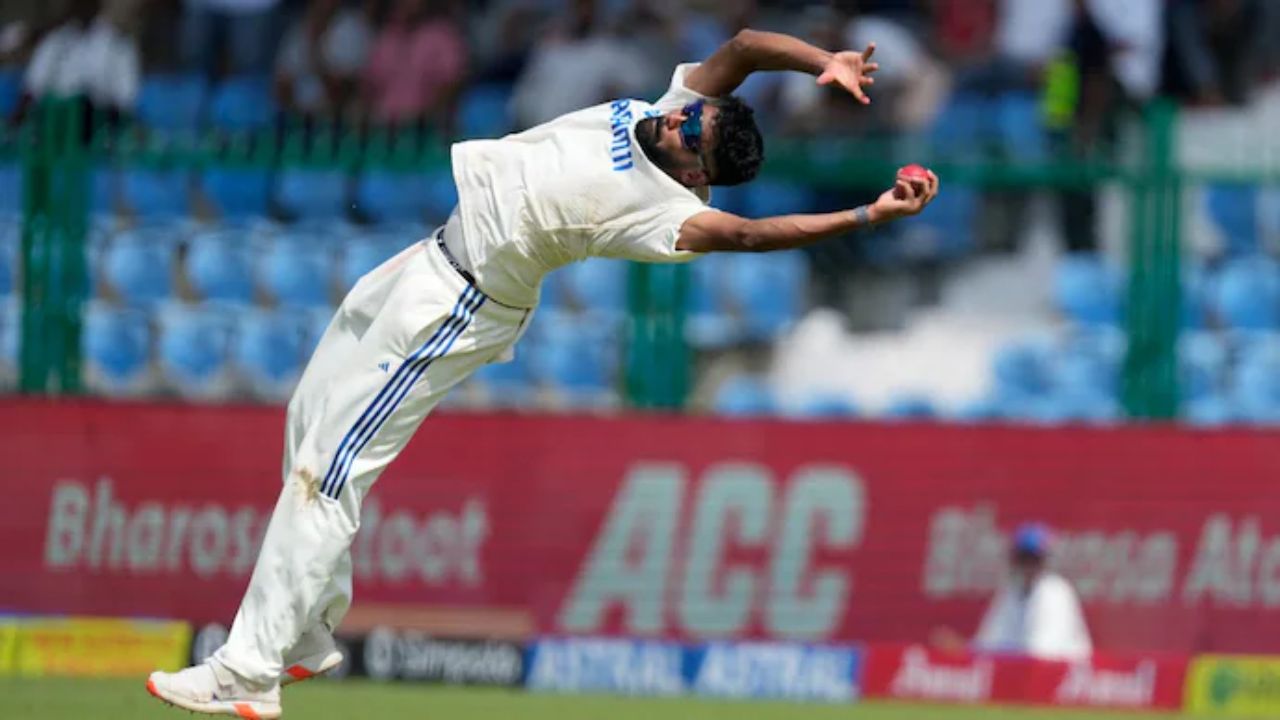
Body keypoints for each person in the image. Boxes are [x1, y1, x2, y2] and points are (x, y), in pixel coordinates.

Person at [146, 27, 939, 718]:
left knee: (328, 474)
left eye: (693, 129)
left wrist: (867, 215)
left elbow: (754, 236)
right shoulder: (668, 106)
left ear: (697, 174)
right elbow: (739, 50)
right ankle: (309, 631)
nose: (683, 113)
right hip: (423, 260)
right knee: (309, 422)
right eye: (698, 109)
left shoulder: (664, 214)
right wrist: (820, 62)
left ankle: (246, 672)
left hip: (456, 306)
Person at [934, 522, 1092, 661]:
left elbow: (1040, 654)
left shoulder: (1054, 592)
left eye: (1034, 559)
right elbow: (990, 643)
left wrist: (977, 653)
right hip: (1026, 681)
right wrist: (964, 650)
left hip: (1070, 685)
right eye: (1023, 558)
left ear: (1044, 561)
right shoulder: (1011, 591)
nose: (1028, 565)